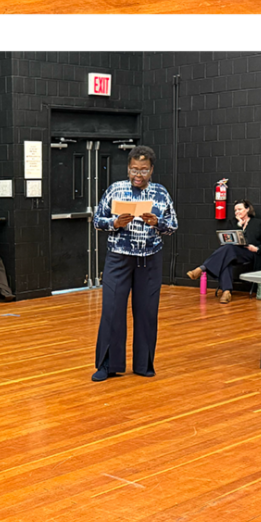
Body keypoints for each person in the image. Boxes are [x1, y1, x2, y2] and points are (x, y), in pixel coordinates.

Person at [91, 145, 178, 381]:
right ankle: (108, 366)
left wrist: (157, 223)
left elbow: (173, 225)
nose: (138, 175)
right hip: (119, 258)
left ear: (151, 170)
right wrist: (115, 223)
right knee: (112, 310)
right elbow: (97, 220)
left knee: (147, 312)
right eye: (134, 170)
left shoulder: (160, 193)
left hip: (150, 259)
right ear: (128, 168)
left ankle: (143, 365)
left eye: (144, 170)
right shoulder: (115, 190)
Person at [186, 199, 261, 303]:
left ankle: (203, 268)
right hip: (233, 252)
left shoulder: (258, 223)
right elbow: (230, 239)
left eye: (240, 209)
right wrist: (239, 225)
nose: (237, 212)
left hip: (249, 253)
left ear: (247, 209)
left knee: (227, 251)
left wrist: (256, 248)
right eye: (235, 210)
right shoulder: (233, 223)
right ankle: (226, 292)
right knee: (227, 256)